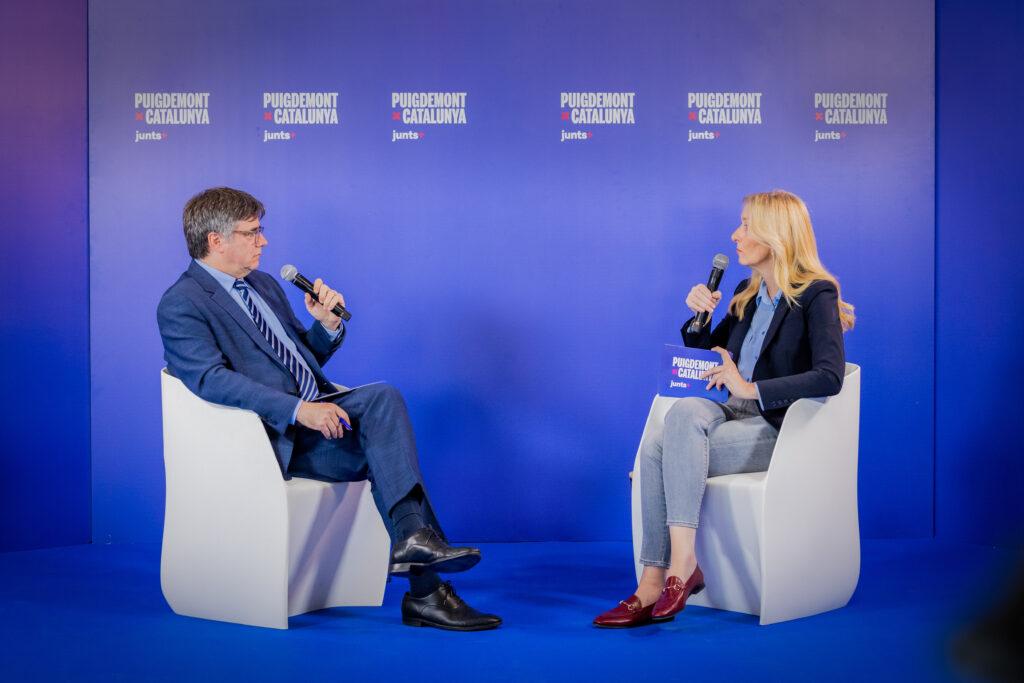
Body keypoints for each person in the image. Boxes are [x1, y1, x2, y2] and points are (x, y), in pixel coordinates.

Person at [157, 187, 500, 631]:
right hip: (270, 441)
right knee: (389, 448)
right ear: (216, 241)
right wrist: (299, 410)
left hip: (315, 417)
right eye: (253, 232)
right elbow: (209, 380)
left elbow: (301, 358)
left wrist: (327, 323)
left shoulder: (260, 284)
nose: (264, 241)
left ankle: (418, 554)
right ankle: (425, 586)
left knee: (384, 399)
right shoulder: (182, 302)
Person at [594, 190, 855, 628]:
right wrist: (699, 320)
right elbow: (710, 363)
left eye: (747, 226)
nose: (736, 235)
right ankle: (675, 573)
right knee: (678, 420)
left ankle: (658, 581)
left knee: (656, 456)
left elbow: (830, 376)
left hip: (777, 427)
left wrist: (752, 389)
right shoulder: (745, 293)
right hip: (726, 411)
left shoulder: (817, 294)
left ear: (776, 234)